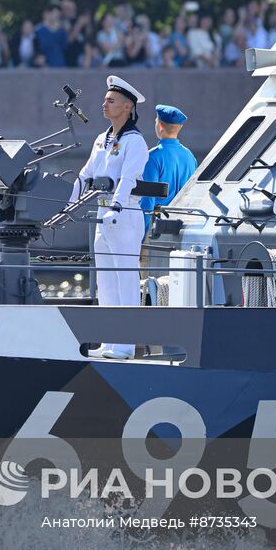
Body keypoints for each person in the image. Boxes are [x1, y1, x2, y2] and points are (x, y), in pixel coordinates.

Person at [72, 75, 149, 359]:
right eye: (105, 99)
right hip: (103, 213)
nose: (104, 104)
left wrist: (116, 206)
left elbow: (129, 177)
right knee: (105, 279)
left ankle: (126, 345)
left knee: (125, 279)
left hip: (124, 214)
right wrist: (68, 204)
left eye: (111, 100)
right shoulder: (102, 140)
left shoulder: (134, 142)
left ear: (127, 106)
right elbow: (86, 174)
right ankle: (109, 341)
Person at [139, 105, 199, 234]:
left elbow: (148, 200)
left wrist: (141, 235)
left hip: (158, 226)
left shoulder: (152, 157)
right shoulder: (190, 156)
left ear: (160, 126)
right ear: (180, 127)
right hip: (183, 225)